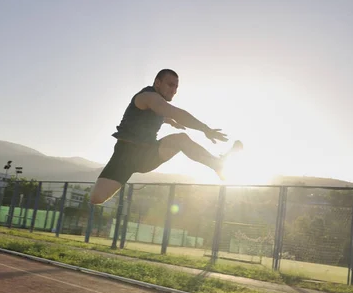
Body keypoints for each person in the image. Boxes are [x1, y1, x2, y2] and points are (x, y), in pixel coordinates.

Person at [90, 69, 241, 205]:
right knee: (96, 198)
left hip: (147, 154)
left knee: (181, 139)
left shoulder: (156, 103)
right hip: (123, 157)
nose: (174, 90)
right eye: (170, 85)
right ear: (157, 82)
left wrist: (171, 123)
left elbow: (163, 115)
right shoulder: (148, 97)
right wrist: (205, 129)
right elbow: (172, 112)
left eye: (176, 87)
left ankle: (218, 164)